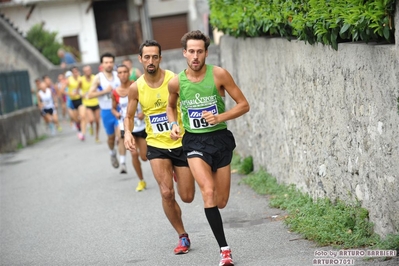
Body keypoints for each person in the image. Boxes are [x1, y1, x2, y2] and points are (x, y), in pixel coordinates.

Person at [167, 30, 250, 266]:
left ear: (206, 53)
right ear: (184, 53)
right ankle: (224, 250)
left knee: (221, 201)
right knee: (208, 192)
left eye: (199, 51)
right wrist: (174, 124)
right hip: (194, 142)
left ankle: (222, 242)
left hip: (220, 140)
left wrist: (220, 116)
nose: (195, 56)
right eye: (191, 51)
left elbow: (244, 105)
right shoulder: (176, 82)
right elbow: (170, 107)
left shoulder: (219, 75)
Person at [124, 40, 195, 254]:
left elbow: (190, 103)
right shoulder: (136, 87)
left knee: (187, 196)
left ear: (160, 58)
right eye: (147, 57)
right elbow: (128, 115)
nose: (151, 61)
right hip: (156, 145)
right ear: (140, 59)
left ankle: (176, 173)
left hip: (180, 142)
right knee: (166, 193)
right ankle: (182, 235)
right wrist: (127, 132)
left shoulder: (174, 79)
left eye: (155, 56)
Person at [111, 64, 147, 190]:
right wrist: (117, 114)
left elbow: (146, 101)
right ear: (117, 75)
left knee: (144, 156)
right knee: (133, 154)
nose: (123, 75)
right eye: (120, 72)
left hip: (140, 125)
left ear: (129, 73)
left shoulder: (137, 86)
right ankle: (141, 181)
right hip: (126, 127)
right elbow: (113, 108)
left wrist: (143, 112)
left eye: (125, 72)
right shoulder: (115, 92)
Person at [87, 53, 122, 169]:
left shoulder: (119, 75)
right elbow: (90, 95)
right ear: (102, 64)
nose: (109, 64)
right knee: (111, 138)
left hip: (118, 109)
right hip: (106, 112)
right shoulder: (98, 78)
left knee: (120, 135)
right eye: (106, 62)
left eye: (111, 62)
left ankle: (123, 162)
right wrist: (105, 91)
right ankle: (112, 153)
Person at [64, 66, 86, 140]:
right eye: (74, 72)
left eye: (76, 71)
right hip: (73, 101)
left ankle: (82, 134)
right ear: (72, 73)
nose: (75, 73)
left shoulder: (81, 79)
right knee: (77, 119)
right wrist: (70, 94)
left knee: (82, 116)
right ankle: (79, 128)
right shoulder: (68, 80)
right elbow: (62, 90)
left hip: (80, 100)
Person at [81, 65, 101, 143]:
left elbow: (100, 87)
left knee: (97, 121)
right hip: (87, 102)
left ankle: (97, 137)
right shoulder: (81, 80)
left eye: (89, 70)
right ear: (84, 72)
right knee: (91, 119)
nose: (88, 72)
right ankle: (91, 126)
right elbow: (78, 90)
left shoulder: (95, 78)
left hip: (96, 101)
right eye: (86, 71)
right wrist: (82, 94)